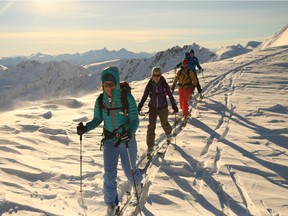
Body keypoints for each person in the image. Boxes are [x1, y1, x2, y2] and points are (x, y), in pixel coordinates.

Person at [76, 66, 142, 215]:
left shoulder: (127, 98)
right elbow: (97, 119)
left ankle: (138, 181)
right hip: (109, 141)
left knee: (129, 171)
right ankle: (111, 204)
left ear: (117, 83)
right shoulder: (100, 101)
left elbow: (134, 120)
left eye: (111, 84)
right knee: (109, 175)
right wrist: (85, 128)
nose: (108, 88)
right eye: (105, 85)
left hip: (126, 140)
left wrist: (129, 132)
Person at [138, 66, 178, 157]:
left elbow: (170, 95)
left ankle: (168, 134)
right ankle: (150, 146)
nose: (156, 77)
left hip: (163, 107)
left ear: (160, 75)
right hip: (153, 108)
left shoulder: (164, 84)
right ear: (152, 75)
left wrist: (174, 105)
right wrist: (139, 106)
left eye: (158, 75)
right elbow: (144, 96)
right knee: (151, 127)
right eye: (154, 75)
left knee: (164, 123)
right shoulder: (149, 85)